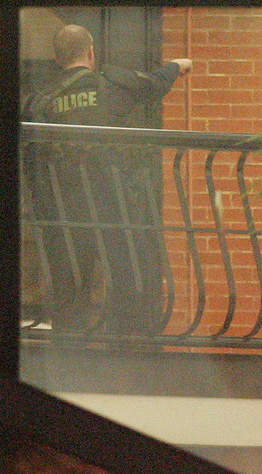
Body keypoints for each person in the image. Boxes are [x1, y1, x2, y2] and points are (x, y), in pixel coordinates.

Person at [23, 24, 192, 334]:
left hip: (62, 214)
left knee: (69, 293)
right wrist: (177, 66)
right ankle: (124, 352)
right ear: (91, 53)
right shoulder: (111, 86)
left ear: (58, 58)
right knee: (127, 284)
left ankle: (69, 358)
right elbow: (153, 85)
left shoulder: (41, 100)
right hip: (112, 209)